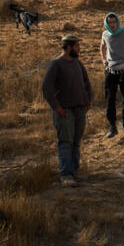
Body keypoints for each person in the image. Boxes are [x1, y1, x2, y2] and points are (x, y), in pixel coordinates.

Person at [42, 35, 92, 186]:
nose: (79, 49)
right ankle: (66, 175)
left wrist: (87, 100)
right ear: (68, 47)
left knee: (76, 142)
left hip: (79, 109)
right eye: (76, 46)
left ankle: (74, 172)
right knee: (66, 142)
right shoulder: (56, 64)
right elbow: (46, 88)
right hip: (64, 111)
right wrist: (57, 107)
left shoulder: (77, 63)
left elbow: (86, 82)